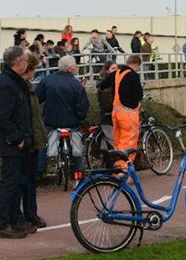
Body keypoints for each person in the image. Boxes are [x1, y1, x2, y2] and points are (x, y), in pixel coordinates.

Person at [0, 46, 34, 239]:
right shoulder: (7, 85)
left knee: (18, 182)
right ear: (18, 62)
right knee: (9, 183)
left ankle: (16, 219)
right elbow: (1, 117)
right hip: (12, 144)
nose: (27, 63)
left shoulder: (15, 82)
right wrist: (17, 138)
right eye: (25, 60)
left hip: (20, 142)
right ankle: (2, 223)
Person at [35, 55, 90, 198]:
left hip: (52, 123)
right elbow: (83, 106)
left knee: (43, 143)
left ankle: (39, 170)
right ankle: (78, 175)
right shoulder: (77, 85)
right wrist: (80, 118)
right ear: (70, 68)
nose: (77, 68)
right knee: (77, 151)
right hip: (72, 124)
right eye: (75, 66)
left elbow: (37, 99)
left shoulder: (47, 81)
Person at [16, 53, 46, 233]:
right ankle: (26, 214)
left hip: (33, 139)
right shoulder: (23, 88)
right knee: (25, 180)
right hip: (29, 140)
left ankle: (30, 213)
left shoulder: (27, 87)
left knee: (30, 179)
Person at [97, 55, 143, 170]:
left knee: (118, 143)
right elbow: (139, 95)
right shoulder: (133, 76)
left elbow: (102, 85)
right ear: (136, 64)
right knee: (129, 144)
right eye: (138, 67)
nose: (138, 69)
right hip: (129, 114)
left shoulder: (116, 74)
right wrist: (136, 104)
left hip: (116, 114)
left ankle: (116, 166)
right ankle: (123, 171)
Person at [96, 61, 119, 146]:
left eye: (117, 68)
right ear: (107, 71)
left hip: (114, 116)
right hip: (108, 117)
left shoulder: (117, 82)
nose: (116, 70)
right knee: (112, 142)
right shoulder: (106, 85)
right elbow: (108, 103)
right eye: (113, 68)